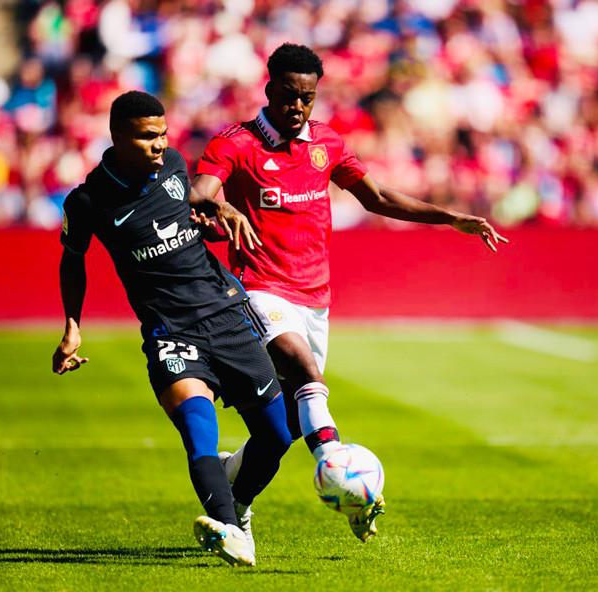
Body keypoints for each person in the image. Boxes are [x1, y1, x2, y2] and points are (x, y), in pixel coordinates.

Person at [190, 43, 509, 543]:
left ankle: (237, 494)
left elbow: (376, 198)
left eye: (308, 97)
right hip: (260, 288)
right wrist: (222, 208)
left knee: (283, 430)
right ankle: (344, 475)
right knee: (305, 372)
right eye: (289, 95)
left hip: (315, 298)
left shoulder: (327, 143)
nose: (298, 106)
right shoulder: (236, 143)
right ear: (270, 89)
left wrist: (449, 217)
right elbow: (198, 195)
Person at [52, 91, 292, 567]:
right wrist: (72, 326)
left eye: (163, 133)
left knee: (276, 439)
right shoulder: (88, 200)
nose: (160, 144)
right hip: (171, 332)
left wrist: (218, 213)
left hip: (227, 316)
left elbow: (192, 212)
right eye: (148, 136)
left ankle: (237, 501)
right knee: (198, 430)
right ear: (117, 136)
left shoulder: (176, 166)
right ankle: (230, 529)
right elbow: (72, 259)